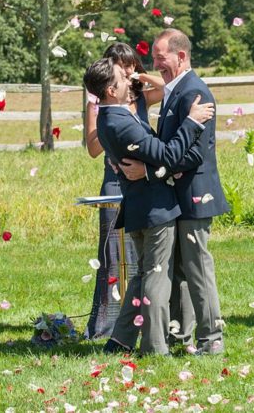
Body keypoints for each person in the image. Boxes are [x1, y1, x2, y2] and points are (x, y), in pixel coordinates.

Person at [84, 57, 214, 354]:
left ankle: (121, 339)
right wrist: (192, 121)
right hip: (155, 207)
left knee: (144, 274)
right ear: (108, 90)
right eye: (121, 79)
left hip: (141, 206)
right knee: (157, 276)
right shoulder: (118, 121)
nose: (128, 82)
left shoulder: (110, 116)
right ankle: (155, 346)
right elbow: (167, 154)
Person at [120, 28, 229, 355]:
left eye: (160, 58)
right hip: (176, 197)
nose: (156, 65)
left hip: (196, 197)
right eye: (154, 58)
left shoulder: (196, 93)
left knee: (198, 272)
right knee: (180, 273)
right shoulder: (174, 90)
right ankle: (180, 337)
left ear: (181, 56)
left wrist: (149, 171)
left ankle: (212, 341)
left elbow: (196, 154)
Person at [82, 42, 165, 339]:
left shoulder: (141, 97)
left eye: (130, 65)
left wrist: (142, 81)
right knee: (112, 255)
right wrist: (114, 129)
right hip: (115, 178)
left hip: (143, 178)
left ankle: (139, 319)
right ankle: (106, 321)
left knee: (139, 255)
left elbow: (169, 87)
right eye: (120, 65)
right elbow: (92, 148)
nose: (127, 70)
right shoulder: (99, 106)